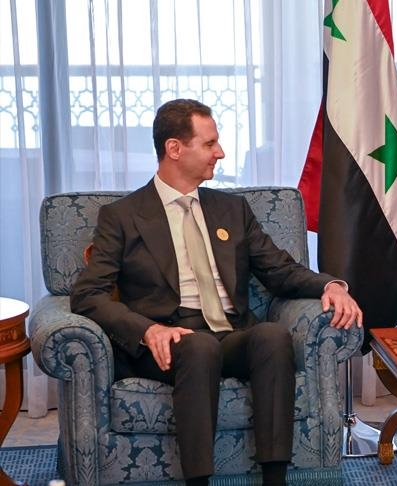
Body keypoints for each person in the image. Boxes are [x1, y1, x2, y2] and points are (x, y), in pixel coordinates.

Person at [70, 99, 363, 486]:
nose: (220, 153)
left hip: (229, 334)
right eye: (209, 144)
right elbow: (88, 294)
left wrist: (330, 285)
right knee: (199, 347)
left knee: (272, 337)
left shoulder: (231, 209)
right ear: (175, 148)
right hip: (170, 342)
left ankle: (275, 480)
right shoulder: (123, 216)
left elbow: (279, 269)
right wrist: (147, 330)